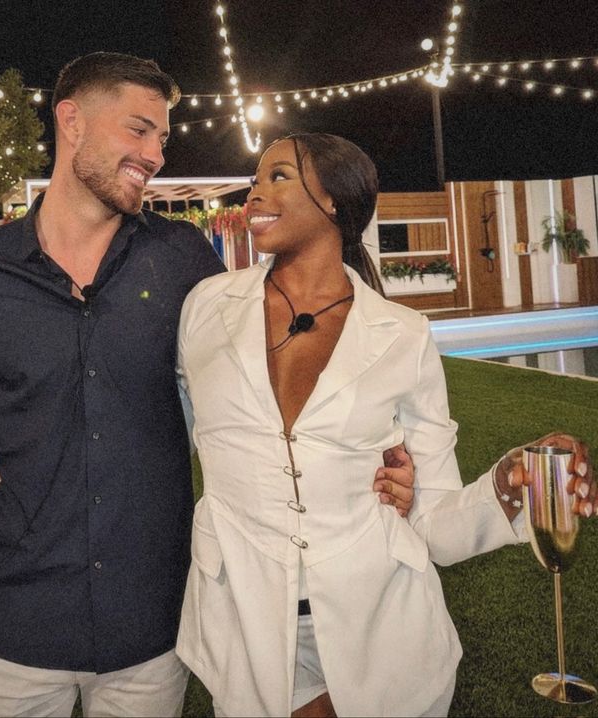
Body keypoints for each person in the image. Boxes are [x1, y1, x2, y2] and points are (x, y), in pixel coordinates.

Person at [0, 53, 412, 718]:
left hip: (152, 634)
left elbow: (273, 397)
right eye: (138, 131)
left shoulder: (186, 263)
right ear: (71, 121)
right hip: (11, 630)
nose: (156, 155)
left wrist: (386, 460)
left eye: (162, 139)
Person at [173, 133, 597, 717]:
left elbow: (433, 520)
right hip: (244, 619)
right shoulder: (205, 307)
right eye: (255, 179)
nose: (254, 194)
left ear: (334, 203)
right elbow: (161, 425)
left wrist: (510, 480)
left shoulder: (402, 334)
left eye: (278, 177)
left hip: (382, 625)